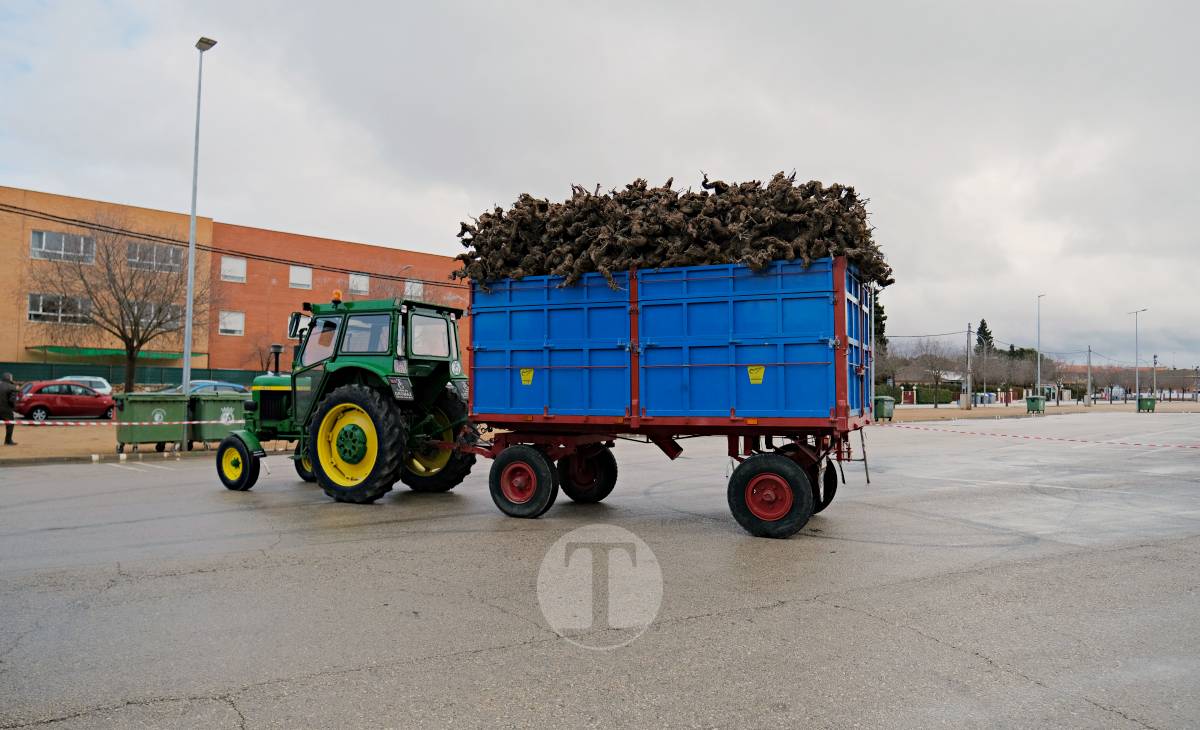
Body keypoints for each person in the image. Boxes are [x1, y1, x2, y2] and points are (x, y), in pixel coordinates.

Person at [0, 373, 18, 446]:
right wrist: (13, 407)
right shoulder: (12, 387)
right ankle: (8, 440)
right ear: (10, 379)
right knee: (10, 424)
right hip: (6, 410)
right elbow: (12, 400)